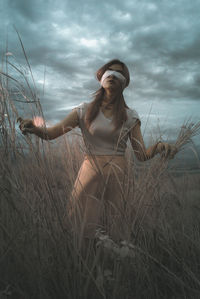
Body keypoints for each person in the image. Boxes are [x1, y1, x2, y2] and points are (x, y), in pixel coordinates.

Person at [18, 59, 177, 246]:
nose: (112, 75)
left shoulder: (130, 116)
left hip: (118, 179)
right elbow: (52, 133)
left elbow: (141, 154)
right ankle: (83, 271)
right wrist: (34, 128)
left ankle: (112, 271)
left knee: (115, 233)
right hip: (89, 175)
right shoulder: (83, 110)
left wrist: (159, 147)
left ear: (124, 83)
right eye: (109, 71)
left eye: (118, 73)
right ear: (102, 77)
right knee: (83, 230)